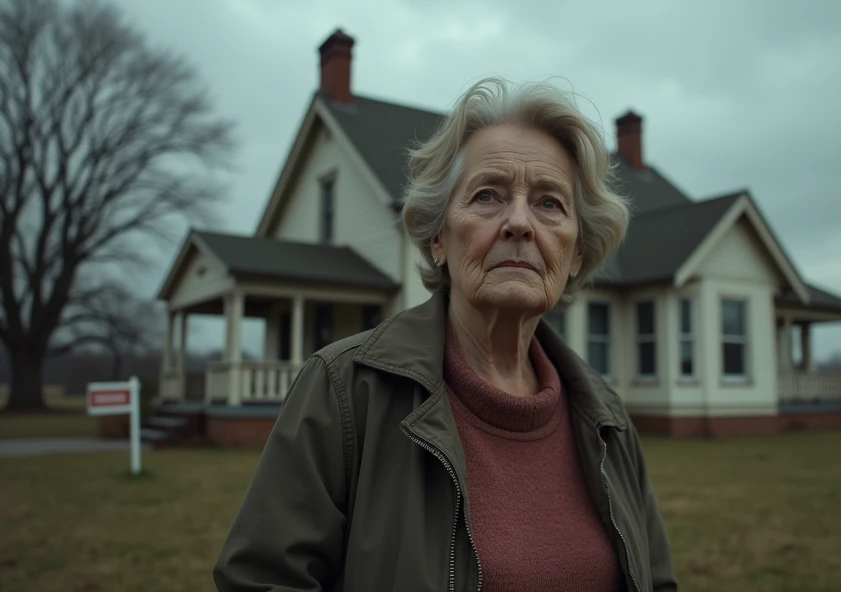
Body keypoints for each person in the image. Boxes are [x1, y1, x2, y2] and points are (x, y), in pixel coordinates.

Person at [213, 77, 677, 591]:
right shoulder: (345, 393)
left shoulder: (607, 419)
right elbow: (261, 581)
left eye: (549, 203)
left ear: (577, 255)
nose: (519, 223)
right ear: (438, 237)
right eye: (487, 196)